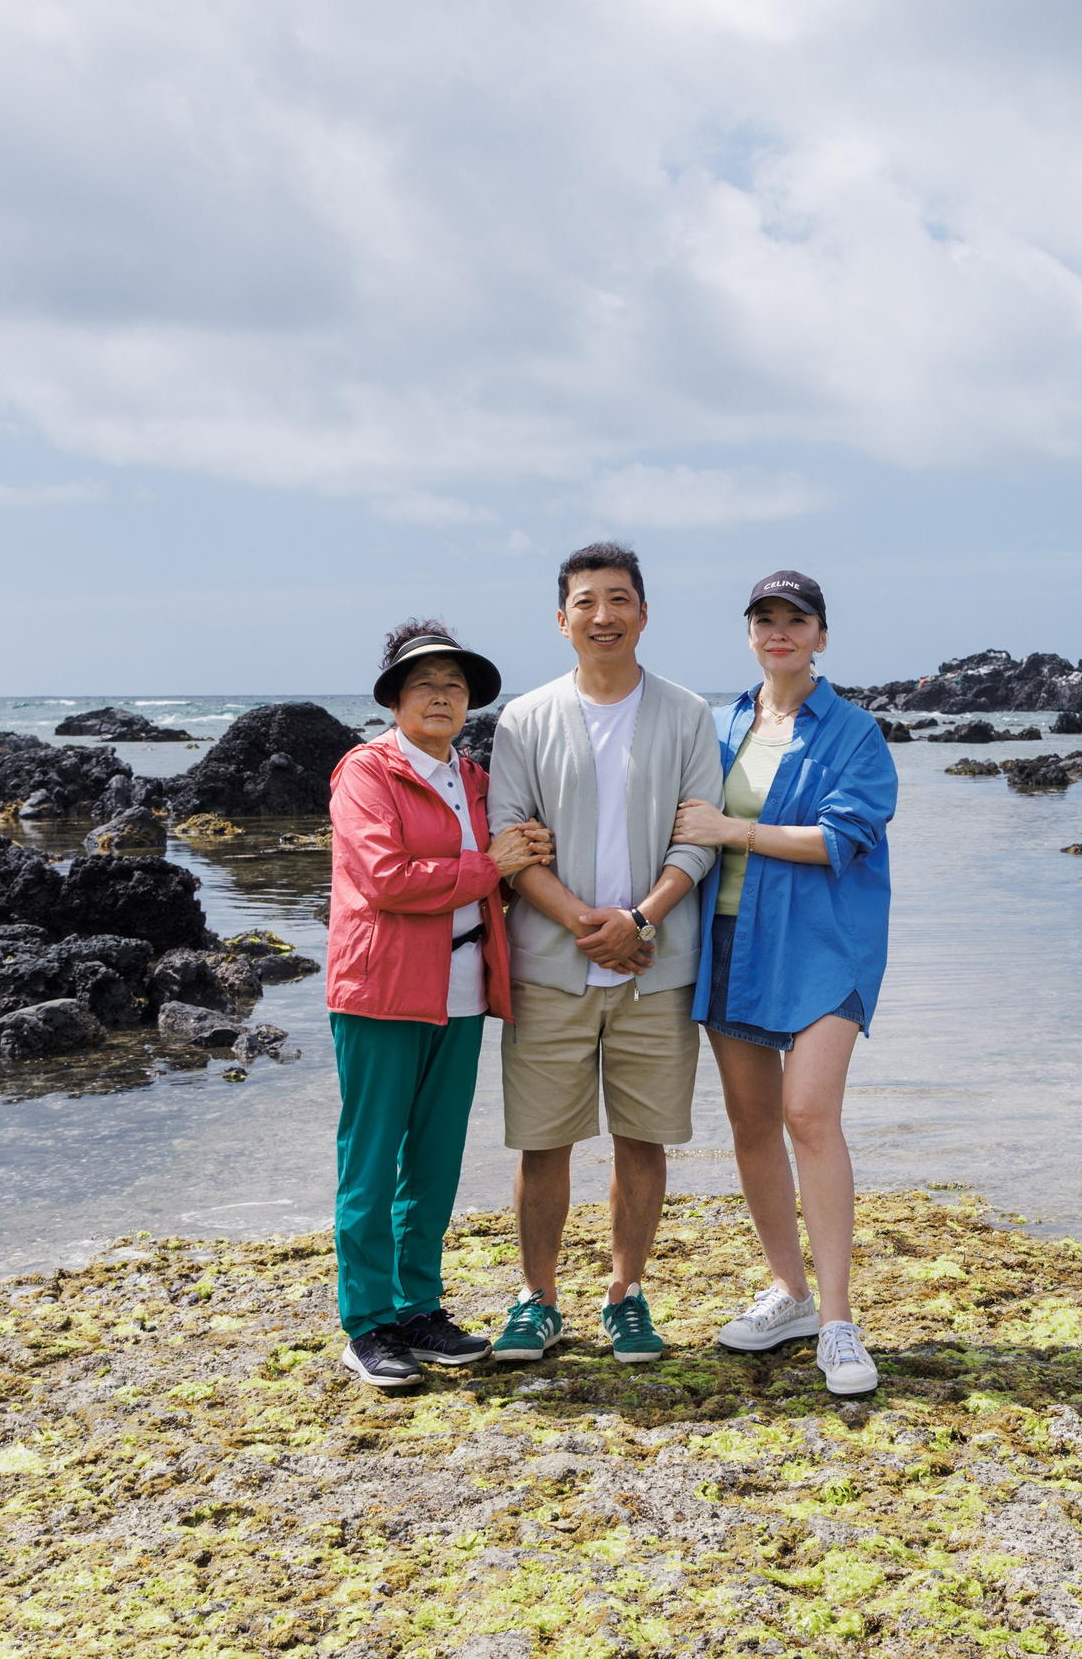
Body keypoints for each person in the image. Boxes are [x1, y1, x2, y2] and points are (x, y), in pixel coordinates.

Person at [484, 542, 726, 1363]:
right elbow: (509, 843)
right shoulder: (524, 718)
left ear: (644, 614)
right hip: (551, 963)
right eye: (585, 602)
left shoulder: (688, 713)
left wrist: (642, 923)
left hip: (654, 967)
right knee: (542, 1140)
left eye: (619, 600)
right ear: (562, 620)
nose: (603, 616)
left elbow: (699, 838)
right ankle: (537, 1297)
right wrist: (595, 922)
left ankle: (626, 1293)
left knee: (642, 1137)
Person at [671, 571, 896, 1397]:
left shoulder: (854, 733)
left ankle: (838, 1321)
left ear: (821, 637)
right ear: (751, 634)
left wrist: (735, 829)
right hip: (731, 938)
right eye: (764, 620)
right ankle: (790, 1295)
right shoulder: (720, 723)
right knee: (753, 1121)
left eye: (795, 620)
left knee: (809, 1114)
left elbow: (844, 838)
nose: (779, 633)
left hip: (825, 944)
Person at [326, 620, 555, 1388]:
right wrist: (486, 865)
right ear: (395, 697)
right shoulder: (366, 773)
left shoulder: (481, 782)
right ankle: (367, 1324)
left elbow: (514, 861)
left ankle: (418, 1307)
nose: (440, 696)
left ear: (469, 705)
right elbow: (387, 879)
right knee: (369, 1161)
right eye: (424, 684)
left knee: (433, 1162)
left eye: (454, 686)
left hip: (461, 993)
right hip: (381, 992)